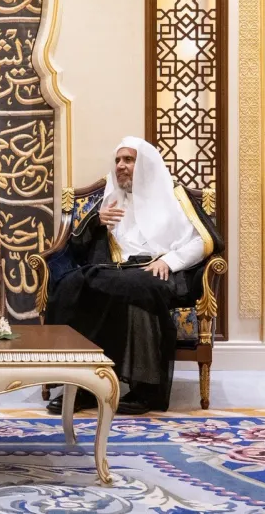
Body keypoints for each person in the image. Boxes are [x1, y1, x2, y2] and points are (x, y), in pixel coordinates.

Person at [43, 137, 214, 415]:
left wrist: (169, 261)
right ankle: (81, 386)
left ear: (144, 164)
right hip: (117, 272)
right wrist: (97, 221)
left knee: (139, 289)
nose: (121, 166)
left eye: (129, 160)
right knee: (73, 285)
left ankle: (146, 390)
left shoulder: (175, 198)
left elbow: (202, 241)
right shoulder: (112, 199)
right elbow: (79, 245)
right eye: (118, 160)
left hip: (156, 271)